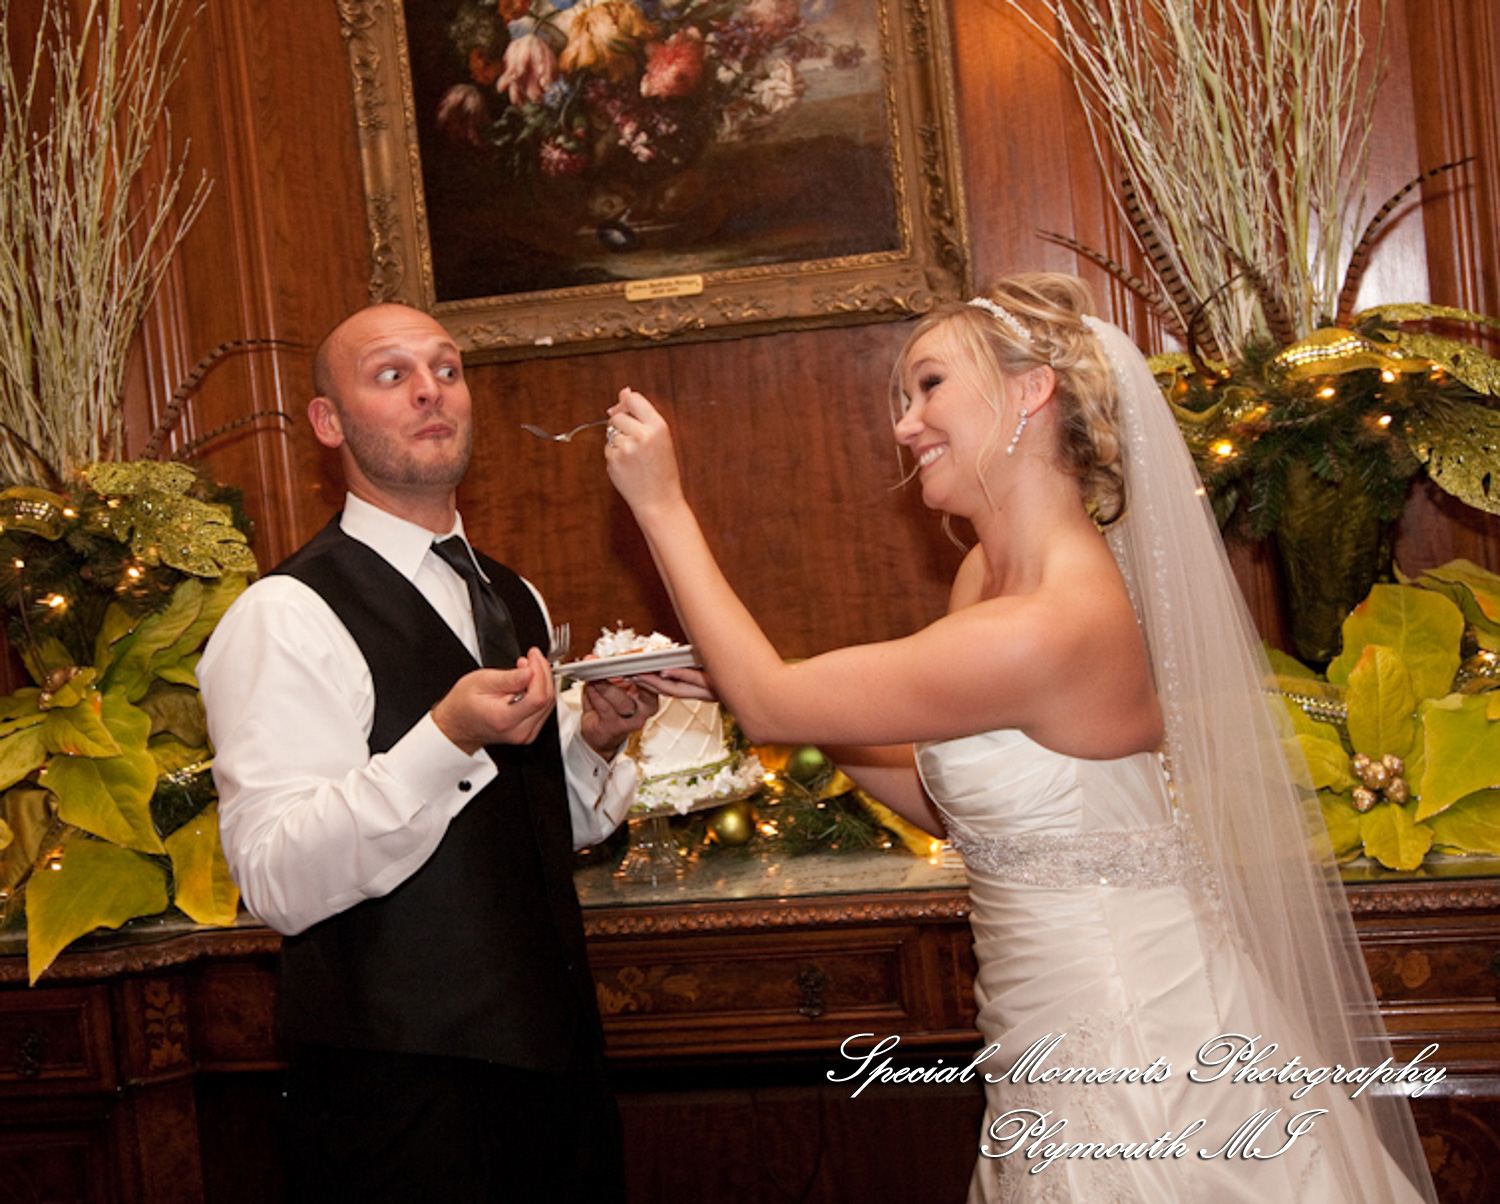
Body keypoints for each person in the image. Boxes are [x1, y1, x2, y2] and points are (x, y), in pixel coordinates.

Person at [603, 273, 1437, 1202]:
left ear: (1031, 391)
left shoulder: (1052, 619)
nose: (904, 425)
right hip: (1037, 1032)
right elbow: (956, 807)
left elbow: (771, 703)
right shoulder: (982, 584)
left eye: (928, 387)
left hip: (1139, 1036)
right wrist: (813, 718)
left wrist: (660, 505)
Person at [199, 302, 682, 1203]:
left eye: (448, 370)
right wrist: (445, 735)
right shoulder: (283, 615)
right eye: (392, 375)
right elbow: (277, 880)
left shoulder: (512, 594)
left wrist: (596, 739)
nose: (431, 391)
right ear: (328, 422)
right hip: (400, 1098)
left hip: (557, 1069)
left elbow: (520, 828)